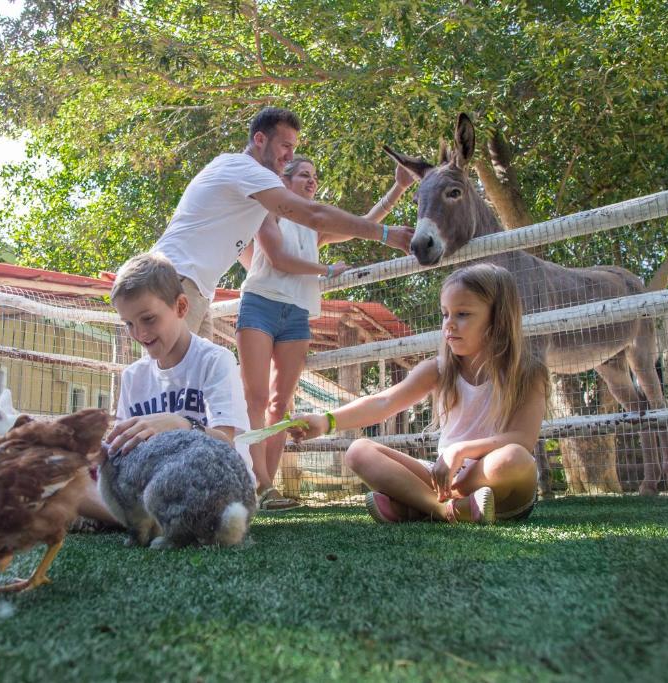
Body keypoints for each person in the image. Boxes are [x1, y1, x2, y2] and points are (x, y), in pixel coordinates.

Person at [287, 264, 549, 524]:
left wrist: (460, 450)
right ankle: (445, 510)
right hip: (445, 479)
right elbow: (384, 402)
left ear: (498, 318)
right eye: (445, 314)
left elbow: (522, 439)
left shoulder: (528, 371)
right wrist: (326, 421)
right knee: (358, 451)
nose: (449, 325)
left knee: (514, 458)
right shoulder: (439, 369)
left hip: (499, 485)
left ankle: (416, 507)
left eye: (463, 314)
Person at [236, 156, 417, 510]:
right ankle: (252, 480)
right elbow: (277, 258)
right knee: (254, 399)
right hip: (260, 305)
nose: (311, 181)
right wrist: (326, 269)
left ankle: (266, 490)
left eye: (314, 176)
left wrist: (399, 186)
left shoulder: (314, 229)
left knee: (279, 404)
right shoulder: (266, 209)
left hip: (297, 315)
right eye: (304, 174)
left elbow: (366, 223)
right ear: (285, 182)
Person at [150, 106, 414, 340]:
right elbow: (311, 218)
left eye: (294, 148)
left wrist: (398, 189)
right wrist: (382, 236)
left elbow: (339, 221)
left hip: (198, 290)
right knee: (167, 383)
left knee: (193, 387)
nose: (290, 155)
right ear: (260, 139)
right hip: (179, 279)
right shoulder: (248, 173)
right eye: (285, 146)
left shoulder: (253, 194)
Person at [73, 252, 252, 525]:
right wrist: (100, 453)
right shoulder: (134, 376)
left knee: (84, 498)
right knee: (70, 480)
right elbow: (123, 449)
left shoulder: (216, 361)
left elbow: (227, 444)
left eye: (148, 319)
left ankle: (132, 520)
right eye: (129, 323)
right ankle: (146, 520)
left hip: (215, 483)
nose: (139, 334)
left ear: (181, 307)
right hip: (156, 483)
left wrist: (181, 425)